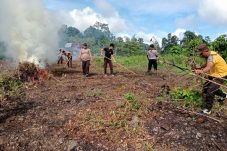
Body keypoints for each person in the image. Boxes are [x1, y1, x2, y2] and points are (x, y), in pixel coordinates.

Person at [194, 44, 227, 114]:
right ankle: (224, 95)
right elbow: (207, 64)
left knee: (210, 91)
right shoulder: (209, 54)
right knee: (206, 88)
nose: (200, 55)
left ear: (206, 51)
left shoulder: (212, 57)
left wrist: (200, 71)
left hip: (221, 75)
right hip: (214, 74)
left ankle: (208, 109)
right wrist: (200, 67)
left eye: (201, 53)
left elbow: (208, 67)